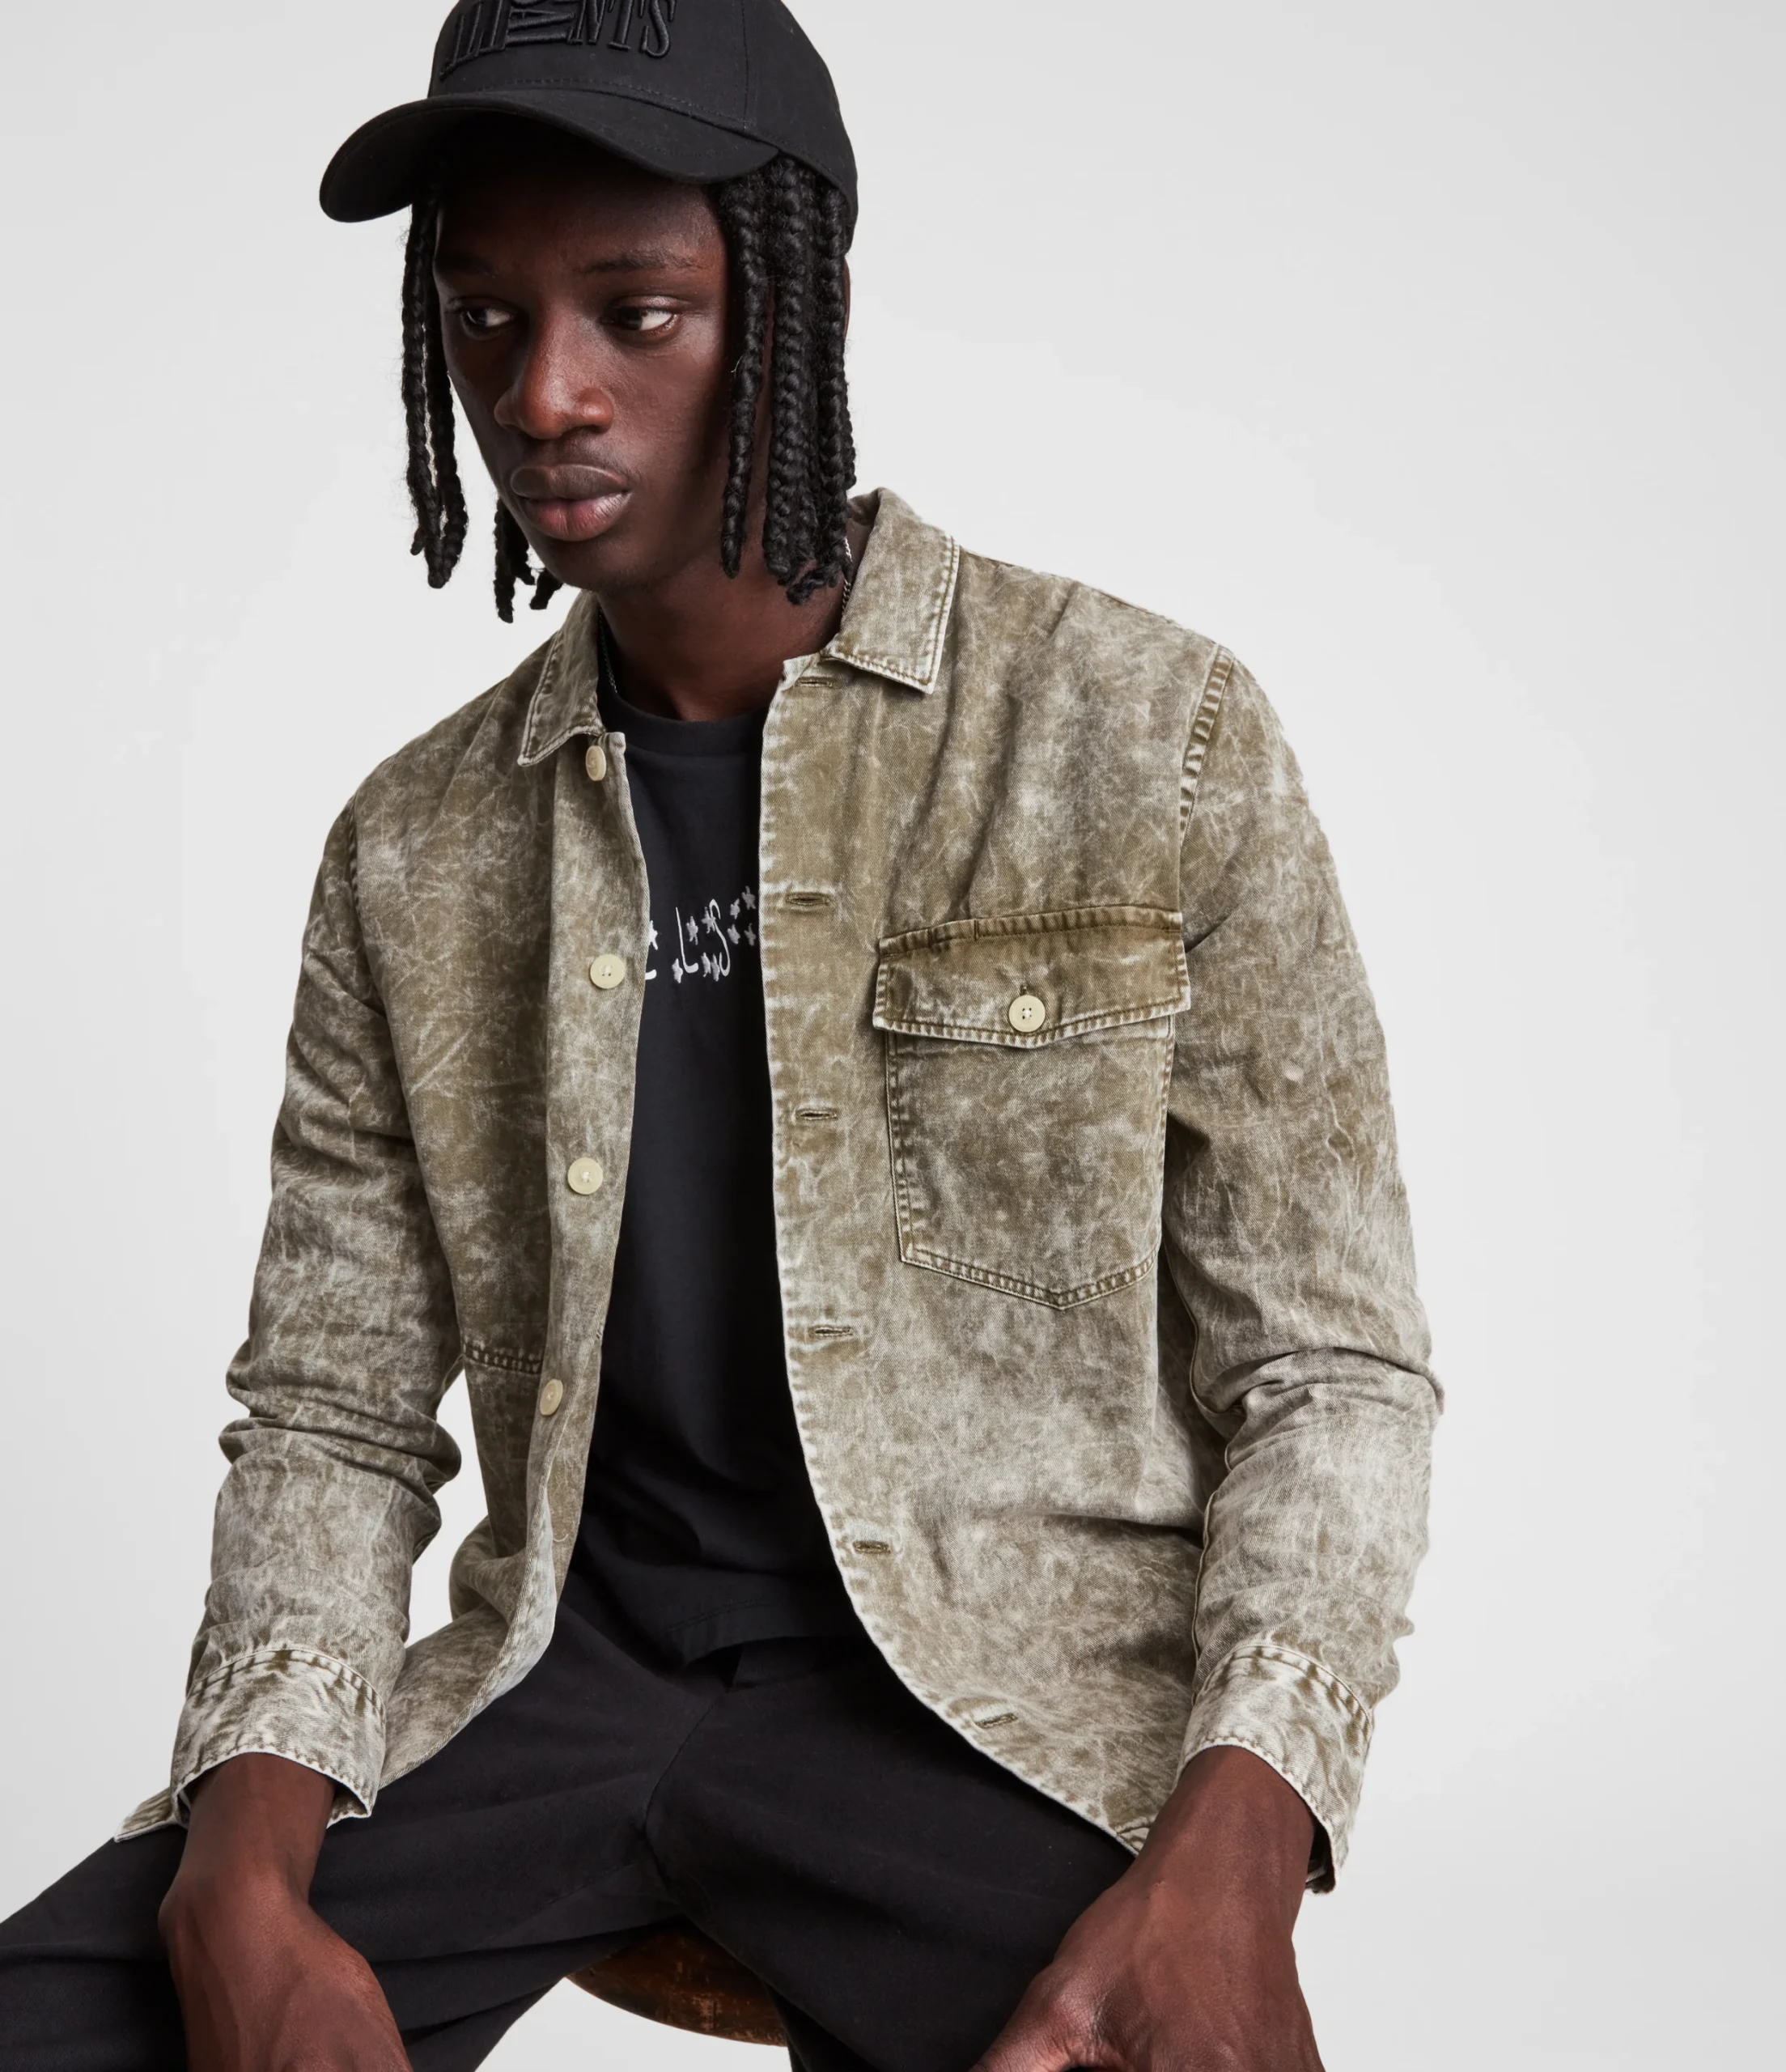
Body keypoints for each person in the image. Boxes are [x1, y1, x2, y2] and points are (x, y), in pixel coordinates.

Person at [0, 4, 1438, 2069]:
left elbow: (1326, 1371)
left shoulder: (1143, 737)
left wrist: (1234, 1849)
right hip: (554, 1687)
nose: (543, 395)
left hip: (988, 1709)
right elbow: (329, 1412)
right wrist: (235, 1875)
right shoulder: (415, 848)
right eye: (484, 319)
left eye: (636, 312)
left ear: (794, 299)